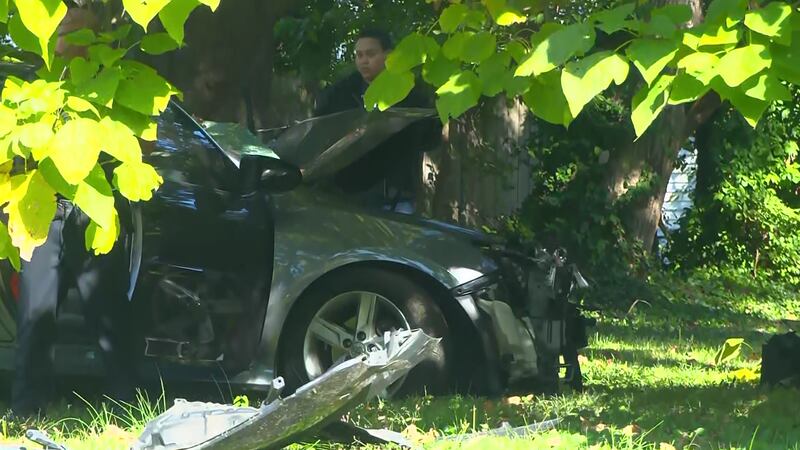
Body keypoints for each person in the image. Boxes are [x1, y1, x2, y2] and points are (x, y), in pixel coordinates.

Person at [11, 5, 138, 418]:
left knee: (109, 315)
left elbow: (137, 152)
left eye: (82, 33)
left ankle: (126, 407)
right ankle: (28, 408)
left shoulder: (109, 86)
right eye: (66, 31)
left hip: (93, 212)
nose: (71, 41)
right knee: (35, 315)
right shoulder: (33, 88)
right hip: (41, 213)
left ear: (97, 39)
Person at [315, 29, 441, 214]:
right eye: (359, 55)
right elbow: (320, 131)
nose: (363, 61)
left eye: (370, 54)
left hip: (395, 195)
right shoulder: (340, 93)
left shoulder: (410, 91)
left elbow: (431, 138)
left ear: (388, 55)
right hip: (345, 194)